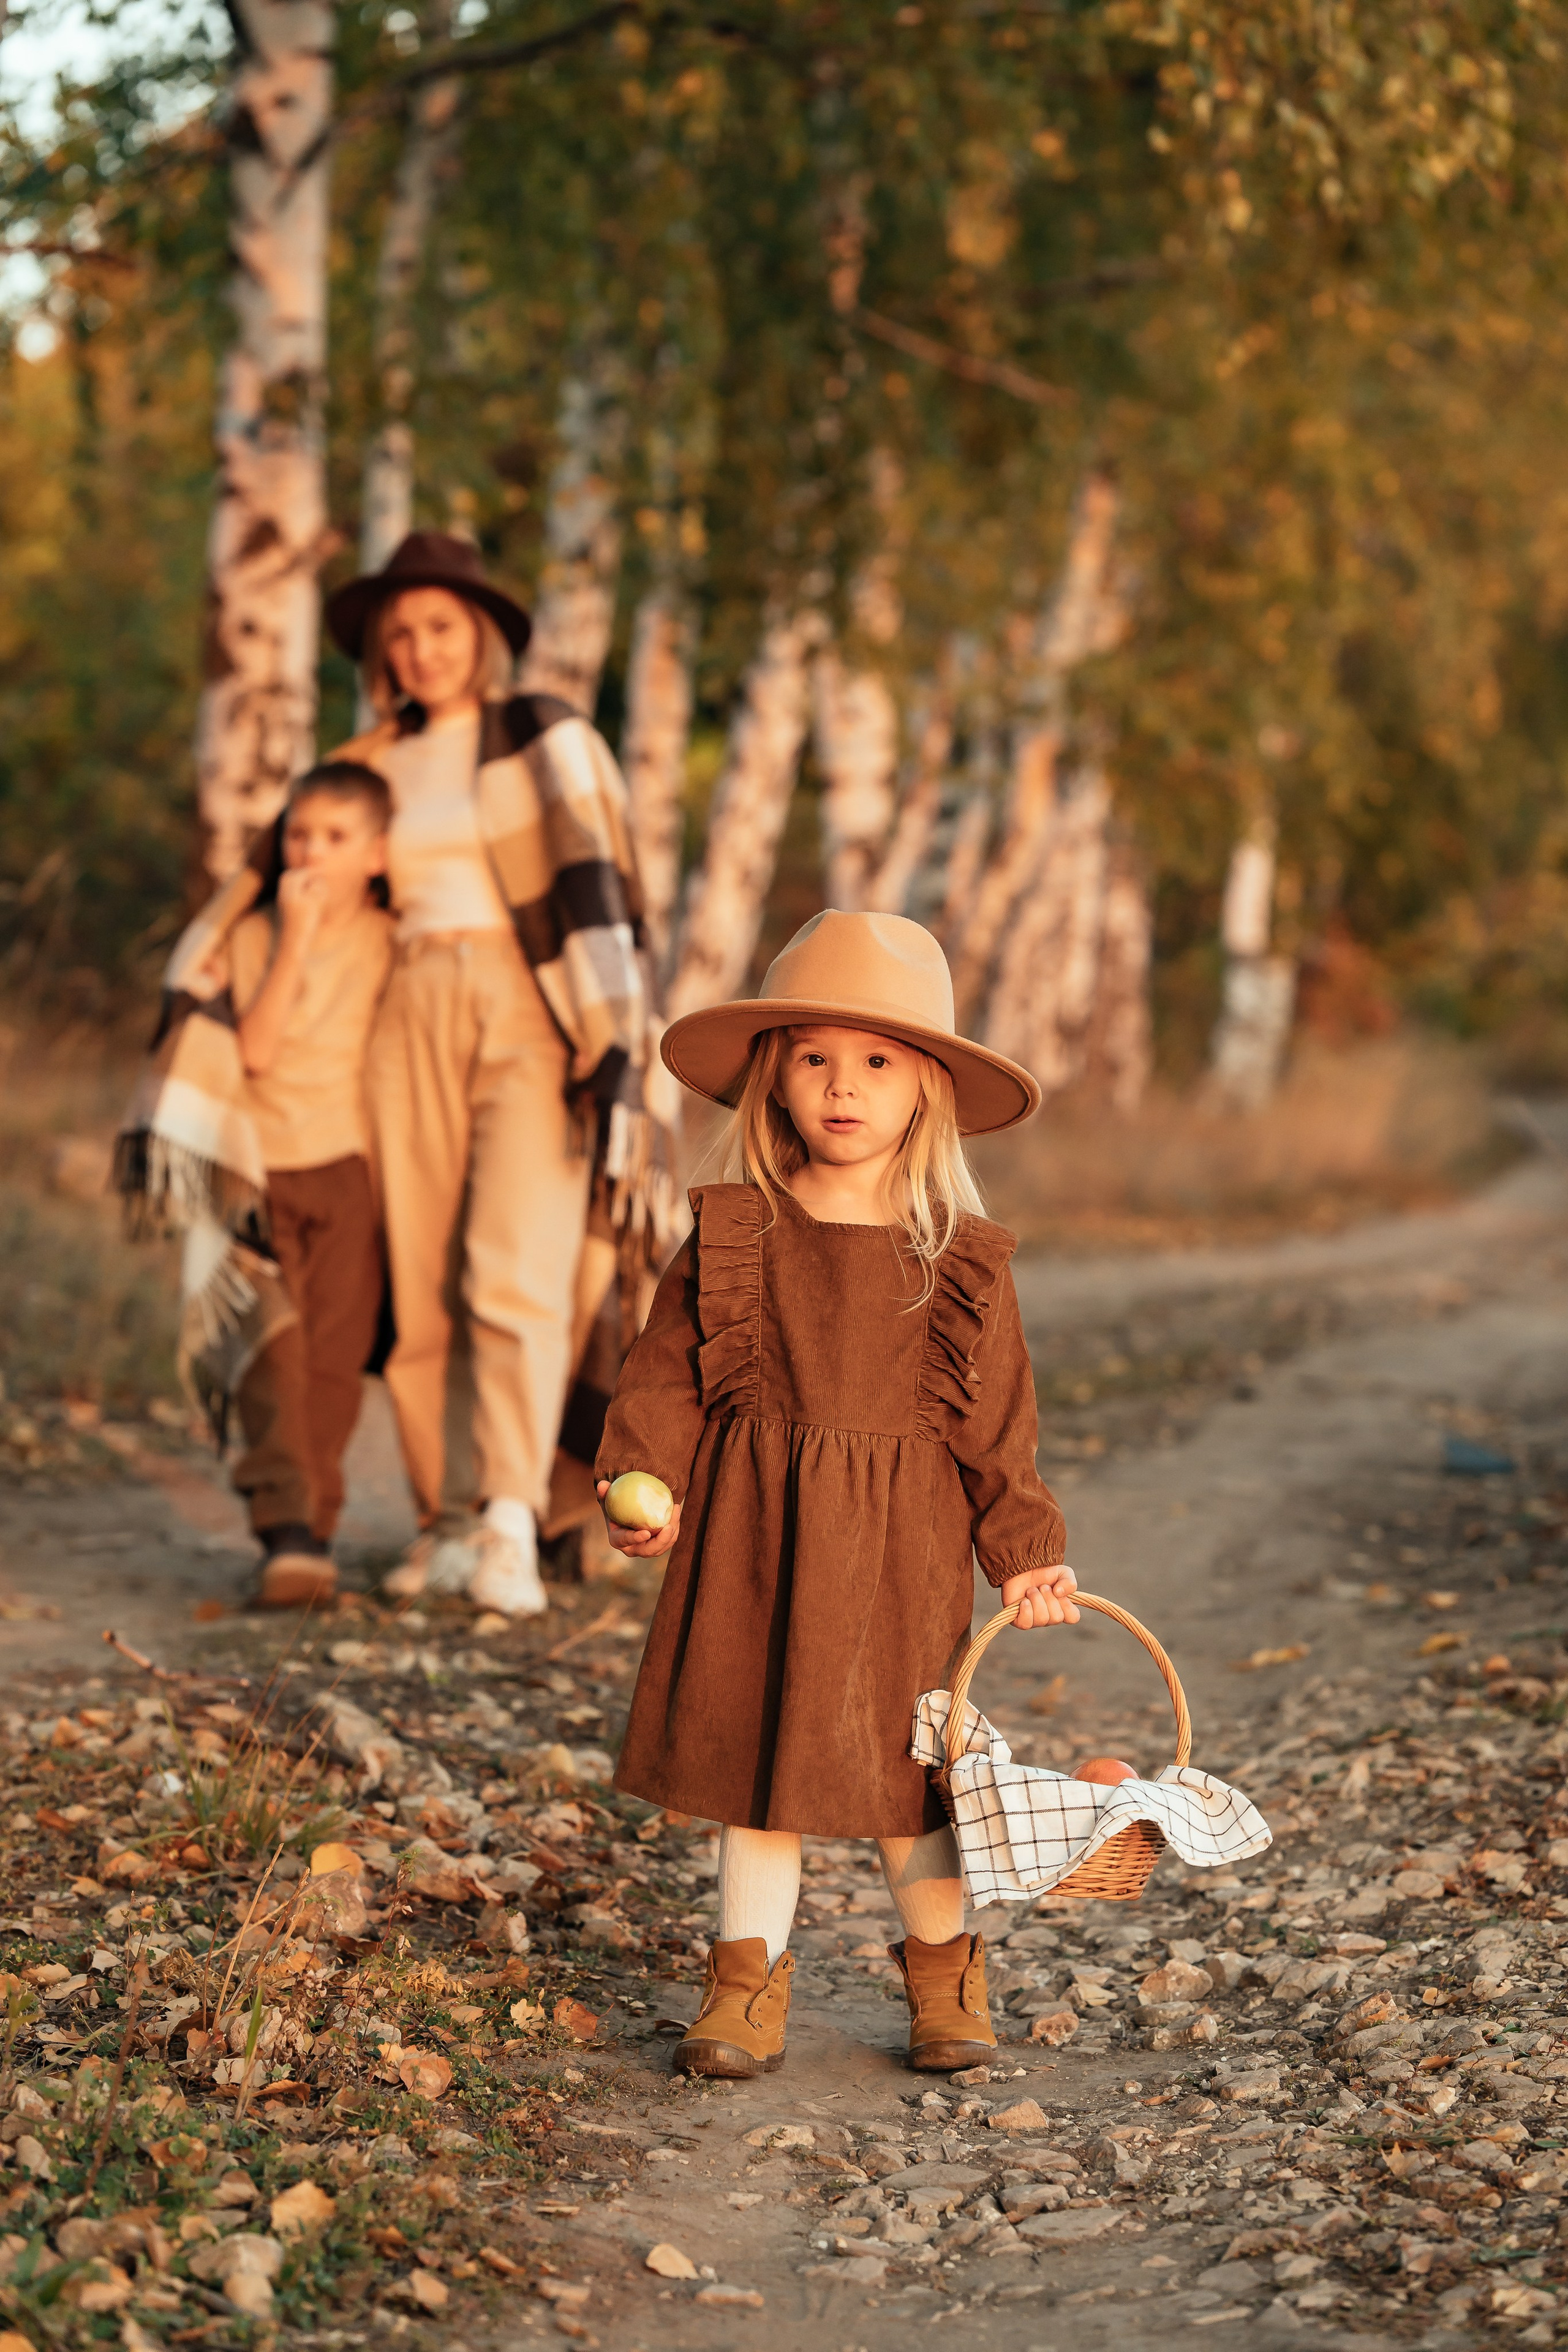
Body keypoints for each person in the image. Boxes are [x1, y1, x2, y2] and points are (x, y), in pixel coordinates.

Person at [594, 909, 1078, 2079]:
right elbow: (663, 1376)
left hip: (901, 1556)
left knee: (909, 1784)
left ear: (925, 1090)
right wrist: (637, 1480)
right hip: (756, 1541)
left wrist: (1025, 1552)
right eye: (814, 1058)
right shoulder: (733, 1236)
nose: (843, 1087)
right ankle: (742, 1989)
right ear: (774, 1078)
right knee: (765, 1779)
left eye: (876, 1062)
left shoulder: (957, 1259)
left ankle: (946, 1979)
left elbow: (997, 1434)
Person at [321, 530, 672, 1621]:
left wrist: (609, 1041)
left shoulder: (546, 737)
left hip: (531, 1007)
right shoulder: (370, 760)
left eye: (441, 628)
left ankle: (513, 1517)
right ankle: (442, 1521)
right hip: (404, 1008)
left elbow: (610, 892)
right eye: (401, 634)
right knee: (415, 1277)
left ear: (479, 638)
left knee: (515, 1264)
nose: (422, 650)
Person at [225, 761, 394, 1608]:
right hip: (258, 1165)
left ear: (377, 852)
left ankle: (311, 1533)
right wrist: (292, 936)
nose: (313, 852)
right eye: (299, 835)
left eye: (335, 838)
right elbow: (252, 1050)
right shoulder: (255, 933)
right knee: (269, 1354)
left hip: (347, 1169)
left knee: (332, 1355)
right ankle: (281, 1526)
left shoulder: (391, 939)